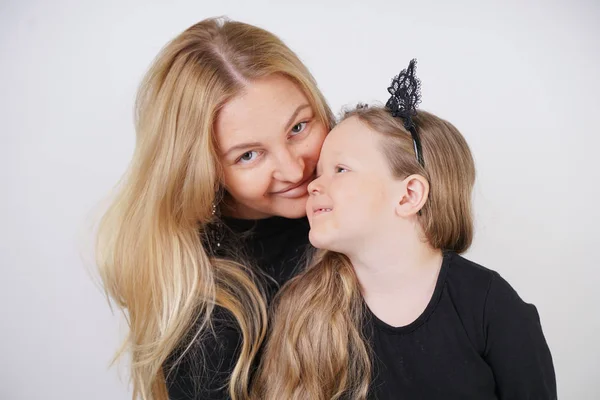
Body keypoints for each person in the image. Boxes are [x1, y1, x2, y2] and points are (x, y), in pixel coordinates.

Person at [254, 60, 557, 400]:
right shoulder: (304, 310)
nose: (311, 185)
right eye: (319, 172)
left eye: (339, 169)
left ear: (409, 195)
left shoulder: (491, 307)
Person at [95, 17, 333, 400]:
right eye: (249, 155)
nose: (294, 169)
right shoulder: (207, 310)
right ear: (203, 170)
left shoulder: (366, 210)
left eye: (298, 128)